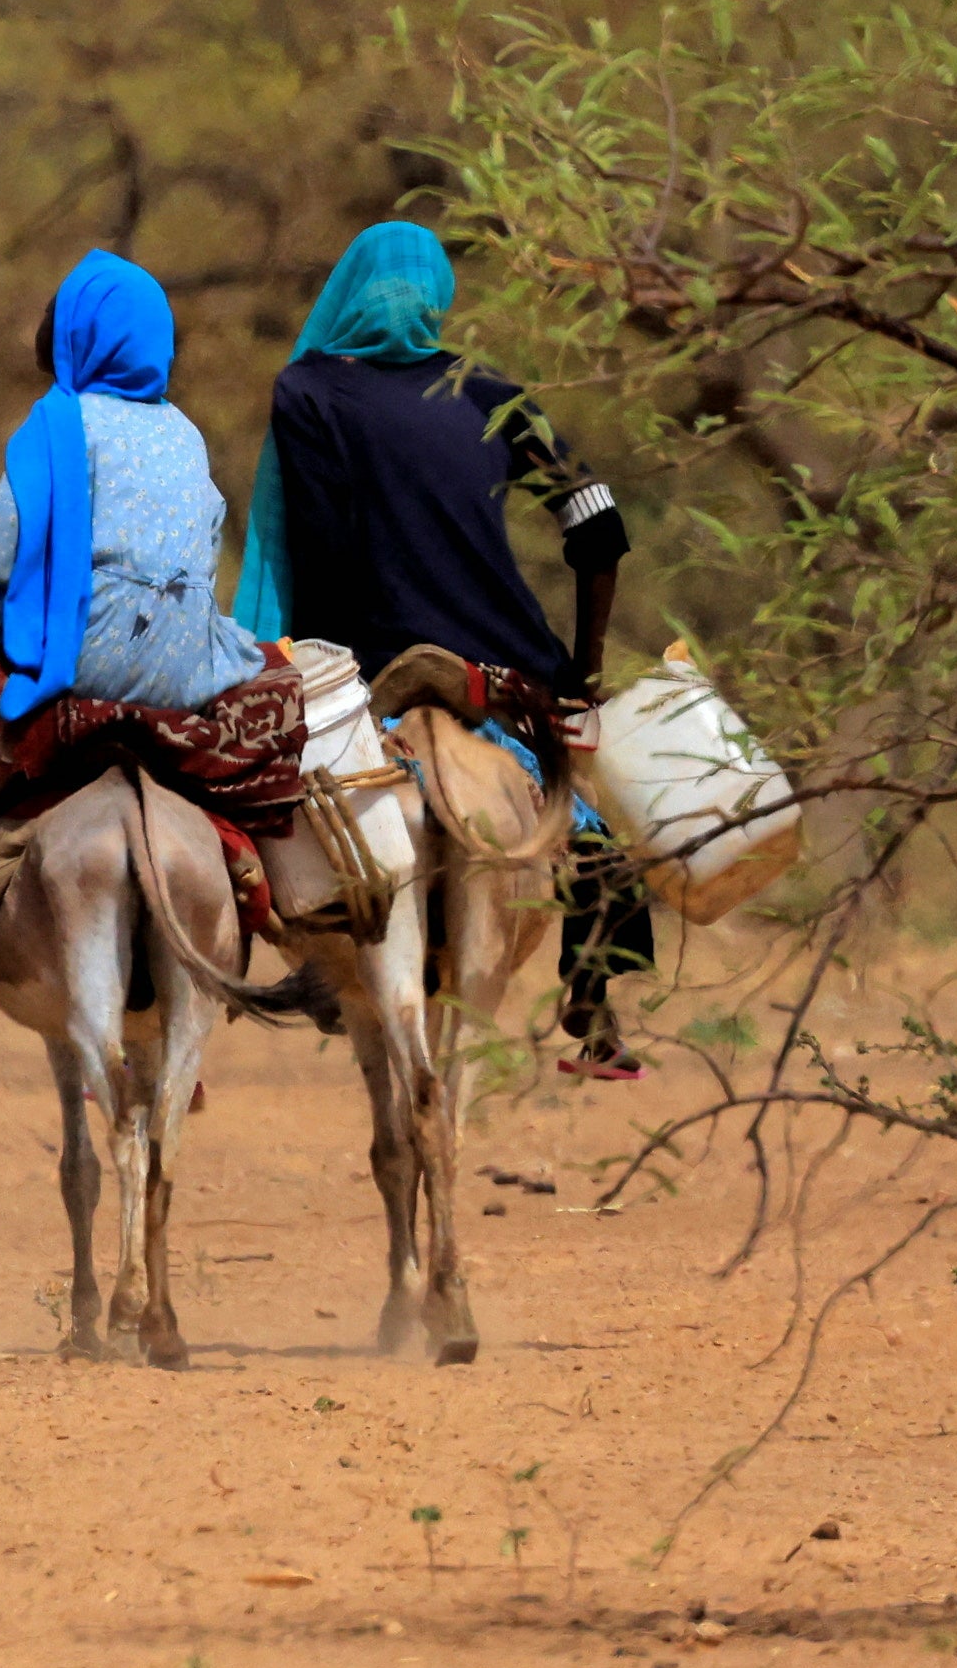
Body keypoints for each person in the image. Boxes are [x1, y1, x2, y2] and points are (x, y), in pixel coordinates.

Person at [234, 218, 652, 1074]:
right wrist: (583, 671)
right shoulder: (487, 390)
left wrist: (303, 665)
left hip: (364, 665)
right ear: (437, 297)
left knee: (256, 796)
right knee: (598, 815)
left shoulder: (306, 390)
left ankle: (312, 963)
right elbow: (600, 524)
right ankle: (593, 997)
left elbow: (312, 549)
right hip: (502, 669)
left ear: (349, 290)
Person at [0, 251, 303, 982]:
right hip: (191, 667)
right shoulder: (184, 433)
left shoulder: (60, 422)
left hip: (91, 659)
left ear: (82, 339)